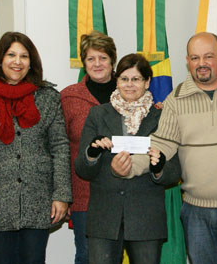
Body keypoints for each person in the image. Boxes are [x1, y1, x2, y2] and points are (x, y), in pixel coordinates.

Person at [127, 32, 217, 264]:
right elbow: (161, 144)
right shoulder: (175, 100)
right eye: (195, 58)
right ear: (187, 61)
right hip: (196, 213)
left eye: (208, 56)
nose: (202, 64)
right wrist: (127, 166)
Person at [0, 32, 71, 264]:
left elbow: (60, 147)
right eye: (11, 54)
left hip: (39, 199)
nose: (17, 61)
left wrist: (62, 195)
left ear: (31, 62)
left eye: (24, 56)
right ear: (0, 59)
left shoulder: (47, 97)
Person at [75, 53, 181, 264]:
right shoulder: (97, 114)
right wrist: (93, 154)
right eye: (124, 79)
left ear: (147, 82)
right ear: (117, 81)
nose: (129, 85)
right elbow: (82, 169)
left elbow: (174, 172)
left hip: (146, 219)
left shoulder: (162, 116)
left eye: (136, 79)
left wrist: (158, 168)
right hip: (104, 218)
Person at [61, 31, 118, 264]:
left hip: (123, 193)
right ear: (84, 63)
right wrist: (63, 196)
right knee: (87, 256)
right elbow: (60, 149)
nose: (97, 64)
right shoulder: (68, 97)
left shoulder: (131, 92)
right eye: (91, 58)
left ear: (112, 60)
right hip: (84, 196)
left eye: (103, 58)